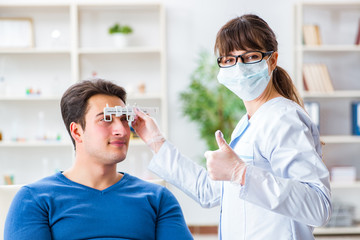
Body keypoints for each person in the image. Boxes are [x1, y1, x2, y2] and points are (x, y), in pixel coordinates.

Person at [132, 14, 331, 239]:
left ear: (272, 60)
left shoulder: (283, 119)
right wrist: (156, 141)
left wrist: (242, 173)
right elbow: (208, 192)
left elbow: (318, 206)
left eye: (250, 57)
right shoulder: (247, 123)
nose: (239, 68)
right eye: (229, 60)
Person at [4, 79, 193, 240]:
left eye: (125, 119)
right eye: (106, 119)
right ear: (77, 131)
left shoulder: (157, 198)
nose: (121, 130)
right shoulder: (34, 199)